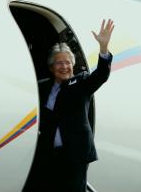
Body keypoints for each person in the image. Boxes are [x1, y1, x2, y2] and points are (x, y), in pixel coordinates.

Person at [23, 19, 114, 192]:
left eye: (67, 63)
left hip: (74, 155)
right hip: (48, 155)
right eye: (59, 63)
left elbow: (101, 74)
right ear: (51, 67)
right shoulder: (42, 87)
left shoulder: (82, 83)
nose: (64, 67)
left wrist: (103, 48)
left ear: (72, 65)